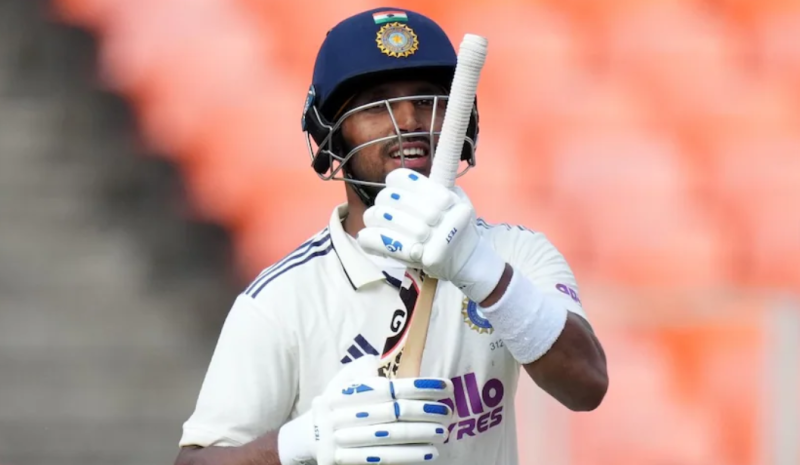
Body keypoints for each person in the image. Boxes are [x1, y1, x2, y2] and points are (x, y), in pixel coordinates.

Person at [174, 7, 608, 465]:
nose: (408, 123)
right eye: (375, 105)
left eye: (425, 100)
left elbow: (587, 386)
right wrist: (302, 441)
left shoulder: (515, 254)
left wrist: (482, 272)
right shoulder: (283, 301)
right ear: (330, 137)